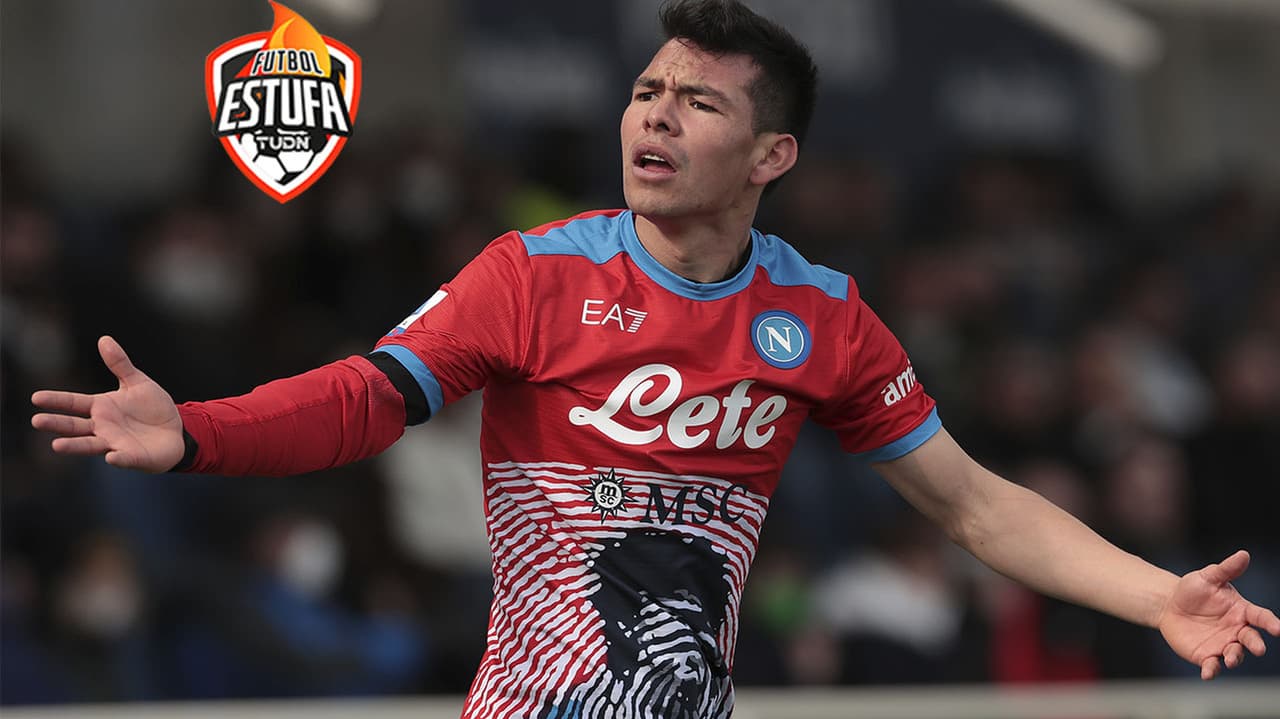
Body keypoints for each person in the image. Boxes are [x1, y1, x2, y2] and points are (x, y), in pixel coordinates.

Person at [31, 1, 1279, 716]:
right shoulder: (533, 272)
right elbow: (368, 397)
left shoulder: (823, 317)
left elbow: (972, 505)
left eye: (699, 103)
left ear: (770, 156)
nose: (654, 116)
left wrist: (1153, 596)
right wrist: (197, 431)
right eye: (645, 91)